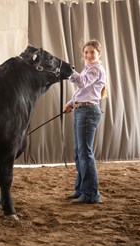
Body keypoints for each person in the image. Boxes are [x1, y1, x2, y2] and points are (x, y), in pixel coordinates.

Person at [63, 39, 107, 204]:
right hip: (82, 110)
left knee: (85, 153)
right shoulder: (89, 68)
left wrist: (69, 71)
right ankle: (81, 190)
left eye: (92, 52)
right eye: (86, 52)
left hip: (88, 112)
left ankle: (90, 195)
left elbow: (81, 82)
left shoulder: (96, 68)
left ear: (98, 54)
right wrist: (71, 103)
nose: (88, 55)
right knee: (79, 152)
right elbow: (83, 91)